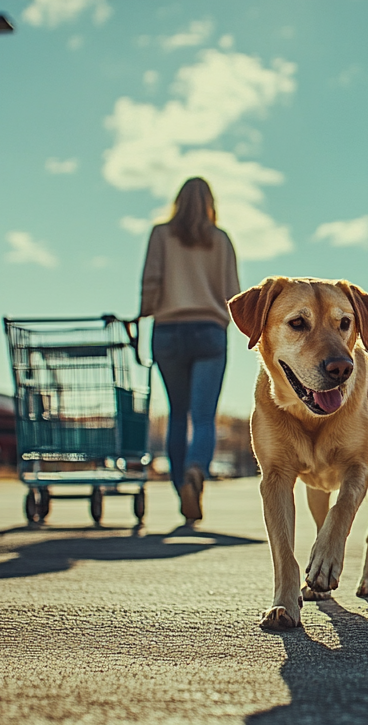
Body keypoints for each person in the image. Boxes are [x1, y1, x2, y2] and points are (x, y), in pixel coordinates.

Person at [139, 177, 240, 526]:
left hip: (167, 330)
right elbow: (233, 293)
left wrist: (144, 310)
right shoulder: (221, 239)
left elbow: (151, 280)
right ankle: (197, 469)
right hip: (210, 331)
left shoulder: (161, 235)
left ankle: (182, 484)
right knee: (203, 416)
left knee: (178, 414)